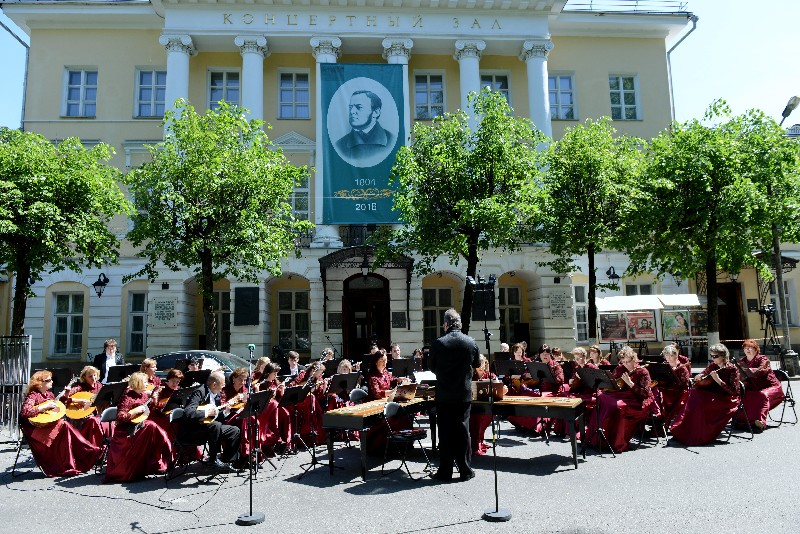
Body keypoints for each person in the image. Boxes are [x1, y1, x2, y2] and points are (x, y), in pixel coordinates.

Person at [429, 308, 481, 482]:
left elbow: (431, 367)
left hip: (444, 394)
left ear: (445, 324)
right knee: (463, 431)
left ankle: (445, 471)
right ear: (459, 323)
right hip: (463, 393)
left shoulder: (437, 343)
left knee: (445, 433)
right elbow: (477, 363)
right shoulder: (470, 342)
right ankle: (465, 470)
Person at [20, 370, 101, 477]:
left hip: (49, 424)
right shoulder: (33, 395)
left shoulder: (49, 394)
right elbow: (25, 412)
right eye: (48, 380)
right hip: (34, 428)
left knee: (64, 425)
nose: (52, 382)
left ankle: (80, 456)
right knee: (64, 425)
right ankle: (85, 453)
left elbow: (59, 407)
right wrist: (43, 407)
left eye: (51, 379)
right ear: (39, 383)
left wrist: (66, 395)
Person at [586, 346, 658, 453]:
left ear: (634, 359)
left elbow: (645, 394)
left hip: (638, 400)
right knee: (601, 398)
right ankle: (599, 438)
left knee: (618, 407)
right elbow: (611, 384)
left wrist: (631, 384)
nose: (626, 364)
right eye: (623, 362)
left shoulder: (643, 372)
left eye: (628, 361)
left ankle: (615, 442)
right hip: (622, 395)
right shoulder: (620, 369)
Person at [105, 372, 173, 482]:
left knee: (155, 429)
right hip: (125, 431)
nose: (147, 384)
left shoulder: (143, 394)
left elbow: (150, 408)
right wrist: (135, 411)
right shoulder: (127, 397)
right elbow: (120, 417)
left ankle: (159, 462)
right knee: (152, 427)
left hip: (139, 426)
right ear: (138, 383)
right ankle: (155, 463)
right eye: (145, 382)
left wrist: (154, 400)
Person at [670, 344, 740, 446]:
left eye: (715, 356)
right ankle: (682, 432)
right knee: (693, 394)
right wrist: (699, 376)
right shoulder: (713, 366)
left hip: (727, 399)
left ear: (723, 355)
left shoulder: (732, 369)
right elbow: (703, 373)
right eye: (712, 356)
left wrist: (718, 380)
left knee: (700, 405)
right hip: (713, 395)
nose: (713, 359)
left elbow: (734, 391)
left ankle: (699, 436)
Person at [178, 371, 243, 469]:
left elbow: (215, 415)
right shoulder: (200, 392)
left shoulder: (216, 395)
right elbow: (188, 412)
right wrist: (206, 413)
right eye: (222, 383)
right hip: (193, 430)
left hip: (209, 428)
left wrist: (226, 411)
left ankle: (228, 461)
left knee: (234, 430)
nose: (224, 386)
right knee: (215, 425)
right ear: (214, 384)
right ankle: (213, 460)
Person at [735, 339, 784, 431]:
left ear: (756, 349)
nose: (748, 350)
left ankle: (760, 422)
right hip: (755, 389)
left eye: (750, 348)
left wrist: (748, 370)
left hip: (772, 388)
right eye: (746, 348)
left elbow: (762, 370)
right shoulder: (742, 361)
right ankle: (741, 420)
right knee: (743, 394)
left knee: (762, 395)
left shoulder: (763, 359)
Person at [334, 90, 396, 161]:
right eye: (350, 107)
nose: (352, 112)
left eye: (359, 107)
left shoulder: (391, 141)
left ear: (376, 112)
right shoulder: (339, 145)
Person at [469, 354, 506, 456]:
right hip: (474, 406)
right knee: (474, 417)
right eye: (478, 364)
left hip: (488, 407)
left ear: (486, 364)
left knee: (482, 417)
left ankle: (478, 442)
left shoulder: (491, 376)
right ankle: (474, 443)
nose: (481, 367)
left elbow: (499, 389)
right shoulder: (471, 376)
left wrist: (503, 390)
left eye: (483, 364)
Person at [61, 365, 104, 447]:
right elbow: (64, 399)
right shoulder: (80, 387)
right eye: (90, 376)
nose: (93, 378)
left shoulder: (99, 386)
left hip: (97, 412)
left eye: (94, 375)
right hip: (82, 415)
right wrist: (78, 400)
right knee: (92, 420)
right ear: (84, 377)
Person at [653, 344, 691, 427]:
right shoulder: (664, 366)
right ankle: (657, 415)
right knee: (655, 391)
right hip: (665, 390)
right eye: (666, 356)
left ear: (675, 356)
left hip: (677, 393)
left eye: (670, 356)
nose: (668, 358)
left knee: (659, 394)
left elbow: (685, 385)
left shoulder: (682, 368)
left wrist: (674, 377)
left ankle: (659, 416)